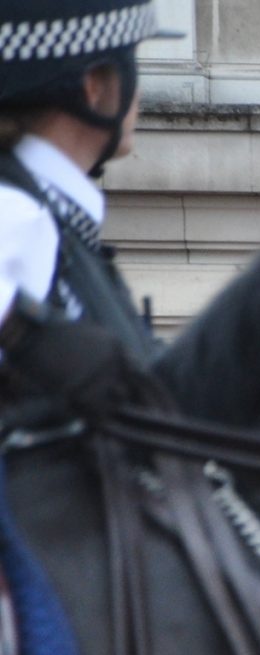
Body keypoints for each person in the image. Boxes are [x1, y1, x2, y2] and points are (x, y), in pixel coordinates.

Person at [0, 0, 162, 409]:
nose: (139, 93)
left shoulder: (55, 216)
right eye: (132, 64)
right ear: (94, 87)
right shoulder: (17, 215)